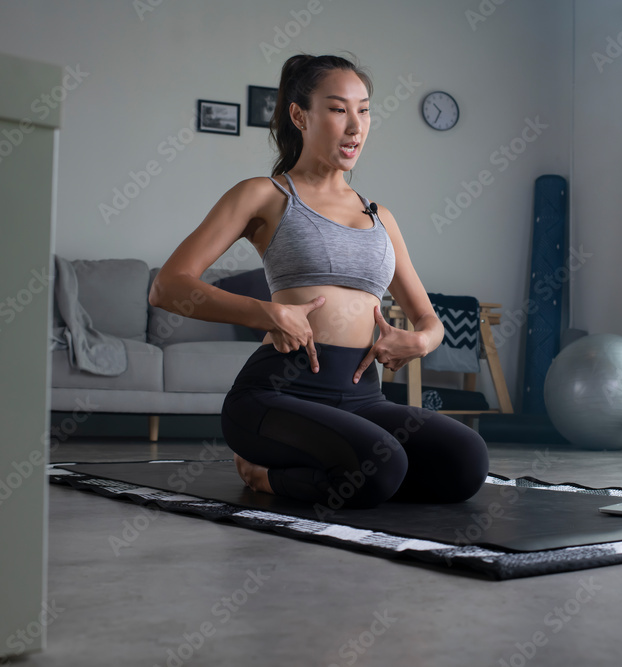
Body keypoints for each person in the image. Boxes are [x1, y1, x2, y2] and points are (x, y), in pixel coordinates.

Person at [150, 53, 490, 511]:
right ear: (298, 115)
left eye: (364, 110)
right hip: (278, 393)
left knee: (465, 462)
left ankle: (356, 472)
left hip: (363, 398)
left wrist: (422, 342)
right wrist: (266, 313)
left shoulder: (380, 216)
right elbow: (168, 286)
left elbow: (427, 318)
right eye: (337, 109)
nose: (355, 126)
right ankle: (262, 474)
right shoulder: (265, 195)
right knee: (380, 466)